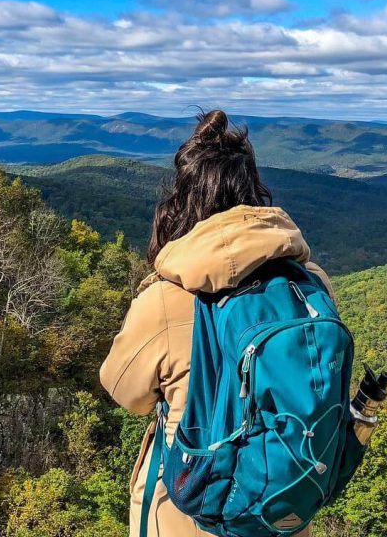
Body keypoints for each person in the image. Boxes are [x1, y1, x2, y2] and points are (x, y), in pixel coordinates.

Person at [100, 109, 334, 537]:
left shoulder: (165, 299)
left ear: (182, 200)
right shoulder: (310, 283)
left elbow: (125, 393)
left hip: (188, 512)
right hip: (278, 510)